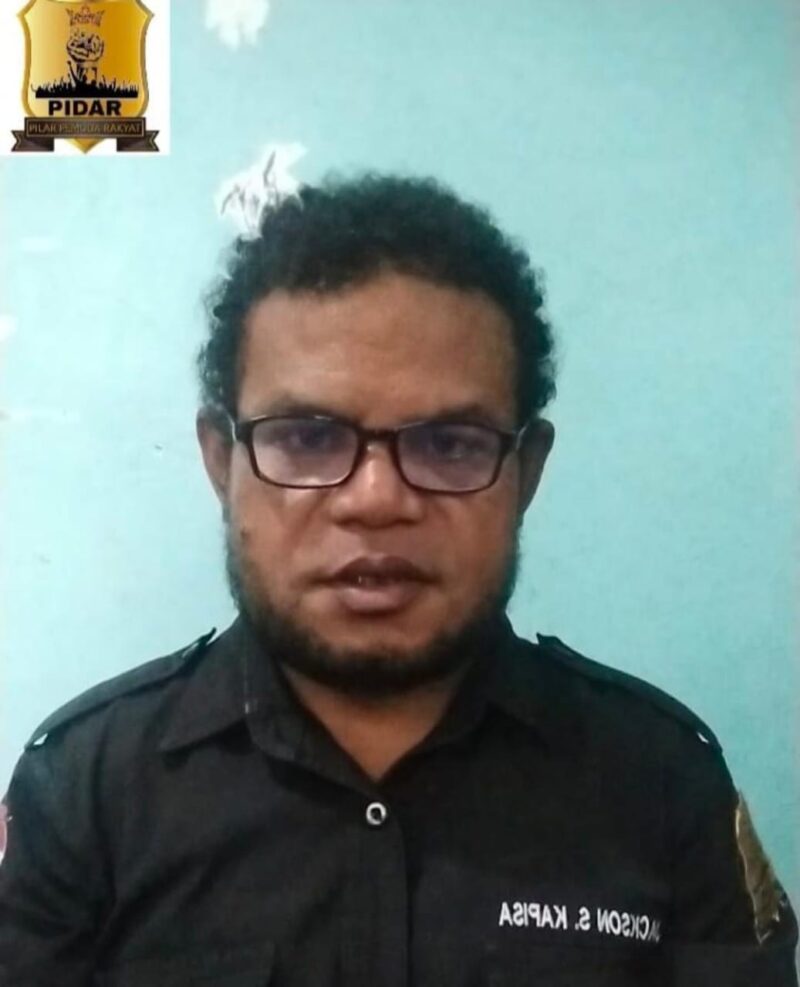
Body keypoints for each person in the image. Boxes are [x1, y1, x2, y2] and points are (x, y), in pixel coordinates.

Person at [0, 174, 796, 986]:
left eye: (449, 444)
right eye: (307, 437)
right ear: (219, 462)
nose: (376, 500)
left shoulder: (660, 782)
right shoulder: (83, 792)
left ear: (526, 472)